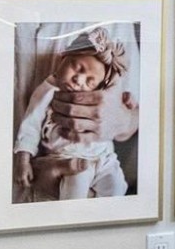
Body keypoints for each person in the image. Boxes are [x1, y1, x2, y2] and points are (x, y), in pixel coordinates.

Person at [15, 26, 139, 201]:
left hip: (104, 158)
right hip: (68, 159)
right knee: (76, 191)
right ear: (63, 56)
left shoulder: (100, 92)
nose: (79, 80)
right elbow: (31, 124)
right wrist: (23, 159)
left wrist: (126, 107)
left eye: (90, 81)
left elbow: (128, 113)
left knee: (117, 187)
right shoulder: (48, 90)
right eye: (77, 67)